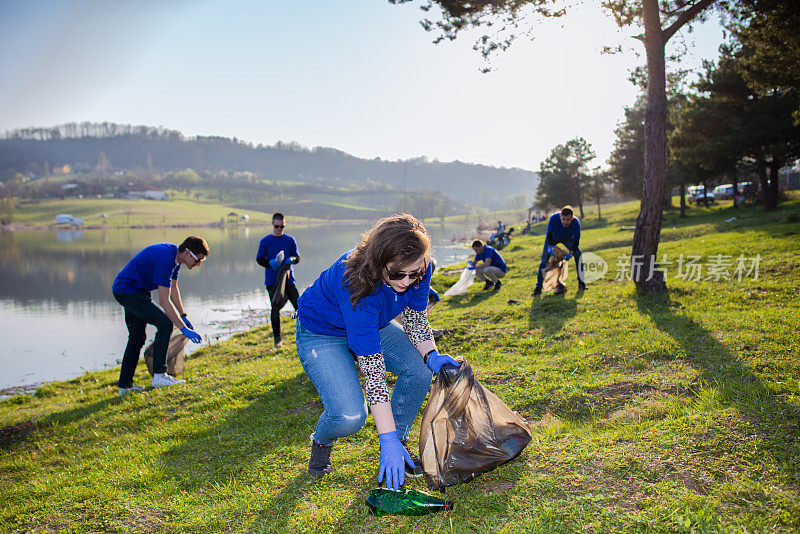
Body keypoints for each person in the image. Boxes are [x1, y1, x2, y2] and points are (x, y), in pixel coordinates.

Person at [295, 214, 461, 491]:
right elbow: (374, 374)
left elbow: (416, 318)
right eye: (397, 274)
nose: (407, 282)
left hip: (375, 324)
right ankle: (322, 441)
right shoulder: (355, 280)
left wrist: (431, 354)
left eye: (415, 274)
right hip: (322, 332)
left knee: (420, 369)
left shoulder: (420, 266)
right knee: (349, 416)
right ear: (378, 262)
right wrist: (385, 439)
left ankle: (400, 441)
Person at [111, 236, 208, 396]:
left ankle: (125, 387)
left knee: (137, 338)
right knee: (164, 324)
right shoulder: (166, 259)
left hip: (136, 291)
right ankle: (159, 376)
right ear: (188, 253)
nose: (197, 264)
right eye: (198, 260)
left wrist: (183, 315)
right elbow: (164, 301)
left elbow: (173, 289)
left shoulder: (176, 258)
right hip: (128, 291)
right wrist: (183, 329)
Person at [256, 213, 300, 348]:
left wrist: (292, 259)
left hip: (289, 280)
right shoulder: (265, 241)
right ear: (272, 224)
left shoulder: (290, 240)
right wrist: (270, 263)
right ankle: (277, 340)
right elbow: (259, 259)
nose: (279, 229)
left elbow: (297, 258)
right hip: (272, 281)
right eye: (277, 226)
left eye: (282, 226)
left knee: (300, 306)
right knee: (275, 309)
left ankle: (307, 333)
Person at [532, 205, 586, 296]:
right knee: (544, 260)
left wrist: (571, 253)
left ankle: (581, 283)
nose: (565, 222)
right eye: (563, 219)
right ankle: (538, 287)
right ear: (560, 216)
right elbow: (548, 235)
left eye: (568, 219)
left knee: (579, 256)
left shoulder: (576, 223)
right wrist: (550, 247)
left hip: (567, 239)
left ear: (572, 218)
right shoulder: (554, 218)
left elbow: (576, 241)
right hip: (553, 238)